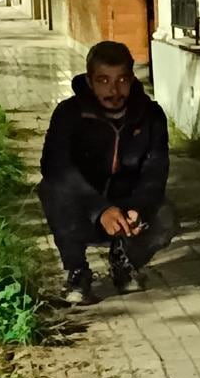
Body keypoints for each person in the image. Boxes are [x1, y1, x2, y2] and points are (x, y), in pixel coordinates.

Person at [38, 41, 177, 304]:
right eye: (103, 80)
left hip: (125, 206)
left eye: (122, 79)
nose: (114, 90)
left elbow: (156, 170)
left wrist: (140, 207)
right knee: (51, 188)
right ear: (90, 82)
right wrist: (99, 209)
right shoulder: (69, 114)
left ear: (132, 79)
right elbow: (55, 167)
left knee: (166, 216)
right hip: (81, 208)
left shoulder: (151, 115)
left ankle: (123, 260)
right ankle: (77, 271)